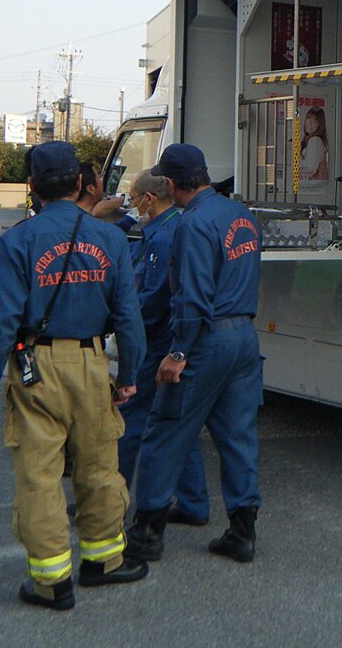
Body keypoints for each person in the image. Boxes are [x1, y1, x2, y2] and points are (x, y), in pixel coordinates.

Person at [0, 141, 149, 610]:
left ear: (32, 185)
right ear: (79, 184)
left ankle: (53, 583)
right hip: (92, 363)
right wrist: (129, 374)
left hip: (36, 367)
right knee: (99, 466)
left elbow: (2, 318)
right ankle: (103, 562)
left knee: (40, 475)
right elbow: (128, 316)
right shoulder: (111, 239)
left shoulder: (18, 241)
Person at [127, 143, 263, 564]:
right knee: (237, 436)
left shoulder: (192, 224)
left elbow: (192, 295)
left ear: (169, 184)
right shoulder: (241, 215)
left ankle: (146, 534)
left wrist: (178, 352)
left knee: (165, 430)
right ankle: (242, 532)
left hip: (206, 339)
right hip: (244, 337)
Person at [117, 170, 209, 525]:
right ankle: (193, 502)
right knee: (177, 421)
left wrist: (122, 326)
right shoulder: (166, 229)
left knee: (130, 419)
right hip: (171, 338)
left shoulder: (163, 236)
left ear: (149, 199)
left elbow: (153, 296)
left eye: (133, 198)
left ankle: (110, 499)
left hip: (156, 341)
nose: (131, 205)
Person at [300, 106, 329, 182]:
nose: (310, 123)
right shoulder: (308, 139)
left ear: (320, 125)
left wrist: (297, 156)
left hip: (312, 185)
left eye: (315, 121)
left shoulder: (315, 141)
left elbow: (310, 170)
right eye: (308, 118)